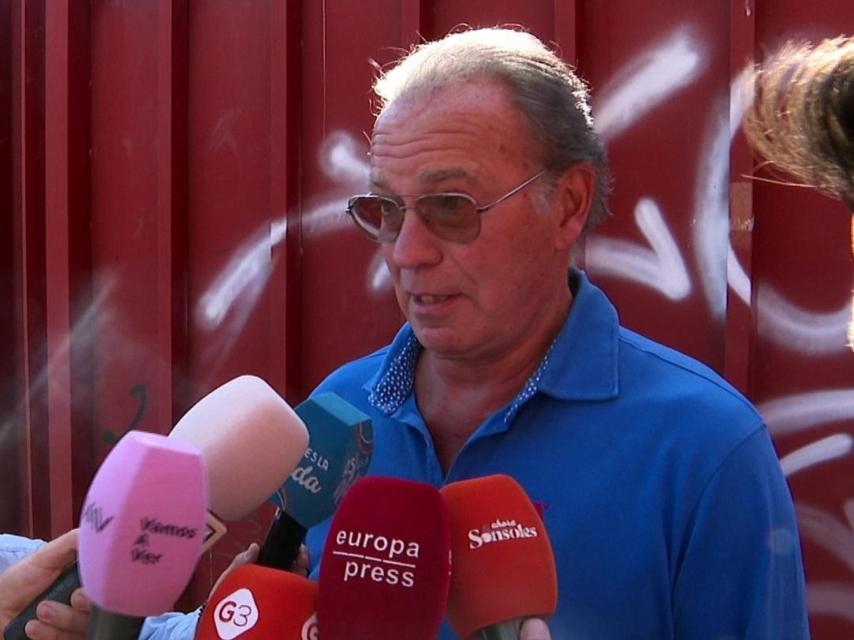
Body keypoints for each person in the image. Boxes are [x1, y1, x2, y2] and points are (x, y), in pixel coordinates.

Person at [304, 27, 810, 638]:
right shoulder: (339, 413)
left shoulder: (704, 449)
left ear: (568, 204)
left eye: (451, 207)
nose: (407, 253)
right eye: (386, 211)